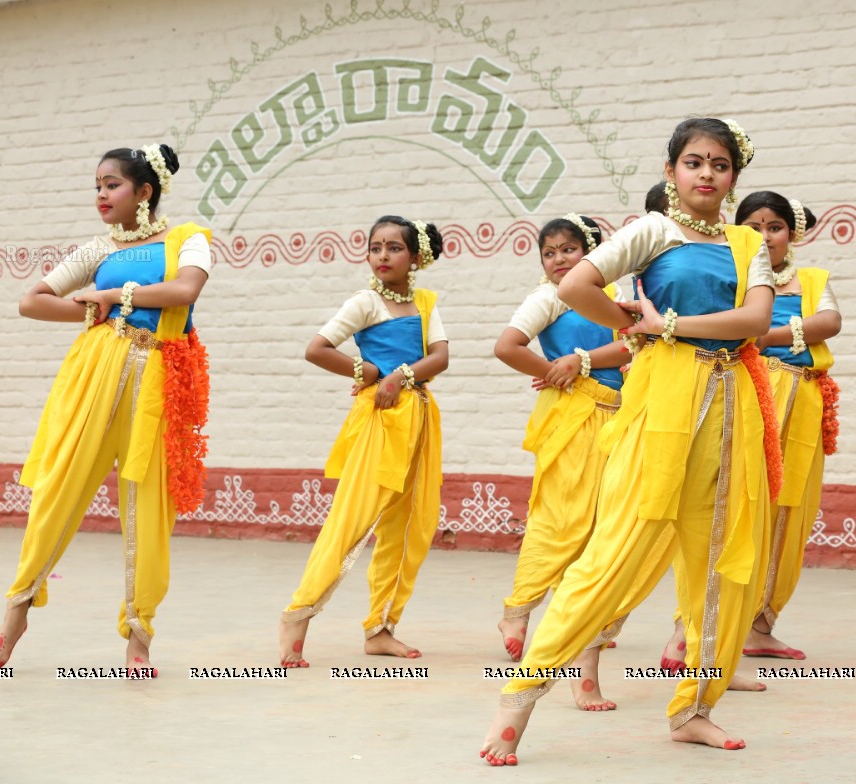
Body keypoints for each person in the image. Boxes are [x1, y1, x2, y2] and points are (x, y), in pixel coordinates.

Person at [480, 117, 782, 765]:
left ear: (734, 176)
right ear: (673, 170)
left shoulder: (745, 243)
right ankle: (519, 699)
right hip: (664, 399)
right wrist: (631, 326)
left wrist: (667, 323)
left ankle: (696, 708)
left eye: (720, 165)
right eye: (695, 162)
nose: (707, 174)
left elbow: (755, 320)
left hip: (732, 405)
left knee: (723, 559)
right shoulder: (652, 231)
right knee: (614, 550)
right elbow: (572, 285)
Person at [0, 144, 211, 677]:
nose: (101, 195)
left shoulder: (189, 239)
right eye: (97, 185)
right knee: (59, 491)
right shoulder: (99, 247)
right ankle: (14, 615)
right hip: (95, 375)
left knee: (146, 508)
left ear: (145, 191)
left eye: (111, 185)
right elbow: (31, 301)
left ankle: (138, 639)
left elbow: (184, 291)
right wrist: (96, 305)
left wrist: (116, 295)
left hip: (159, 380)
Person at [659, 191, 841, 667]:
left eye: (775, 226)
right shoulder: (734, 275)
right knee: (729, 508)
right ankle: (690, 626)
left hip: (802, 401)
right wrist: (781, 333)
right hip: (747, 393)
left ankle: (759, 626)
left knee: (789, 516)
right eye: (754, 227)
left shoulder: (812, 280)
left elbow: (830, 322)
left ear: (791, 233)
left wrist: (772, 334)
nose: (765, 236)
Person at [278, 216, 447, 666]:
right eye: (375, 248)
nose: (383, 256)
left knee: (411, 525)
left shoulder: (426, 303)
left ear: (415, 258)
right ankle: (299, 614)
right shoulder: (365, 303)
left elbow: (440, 357)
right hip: (381, 421)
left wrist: (399, 375)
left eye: (394, 248)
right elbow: (318, 348)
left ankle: (381, 627)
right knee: (351, 520)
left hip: (420, 419)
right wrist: (367, 372)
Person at [493, 214, 625, 710]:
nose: (557, 260)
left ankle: (585, 660)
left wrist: (584, 360)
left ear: (593, 254)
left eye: (569, 249)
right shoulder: (547, 298)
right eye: (549, 253)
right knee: (562, 522)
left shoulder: (613, 297)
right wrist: (557, 369)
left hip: (621, 418)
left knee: (607, 535)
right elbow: (507, 346)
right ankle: (519, 611)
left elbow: (634, 343)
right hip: (573, 418)